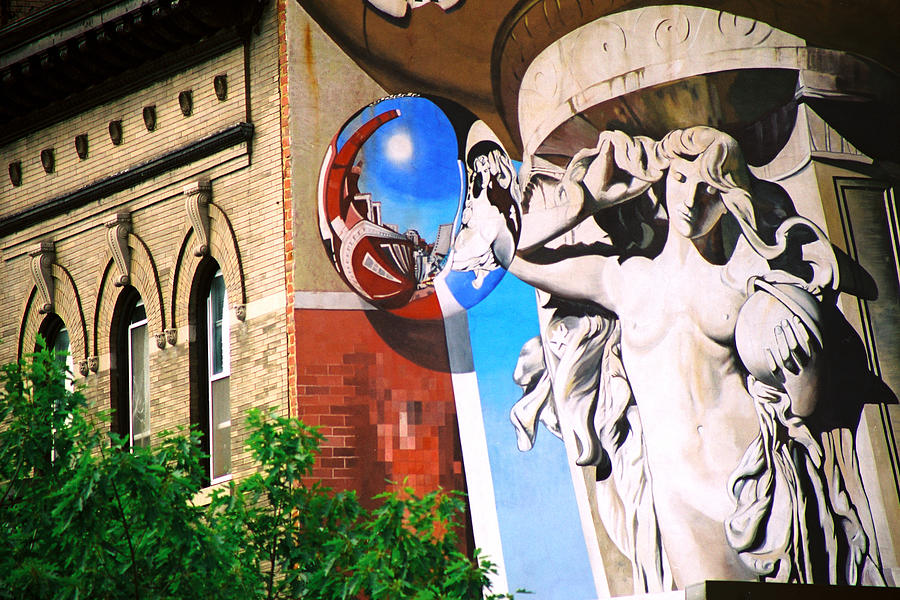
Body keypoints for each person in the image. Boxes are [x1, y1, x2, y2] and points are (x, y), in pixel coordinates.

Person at [507, 127, 885, 589]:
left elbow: (805, 405)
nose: (693, 198)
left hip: (751, 485)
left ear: (731, 197)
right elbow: (511, 253)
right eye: (682, 180)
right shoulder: (625, 280)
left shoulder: (743, 277)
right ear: (662, 181)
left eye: (711, 188)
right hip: (677, 492)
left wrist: (801, 363)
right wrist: (586, 200)